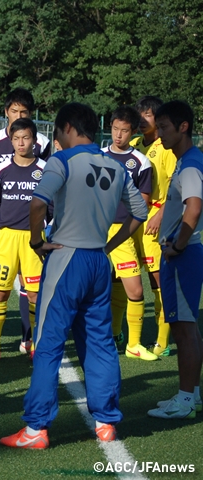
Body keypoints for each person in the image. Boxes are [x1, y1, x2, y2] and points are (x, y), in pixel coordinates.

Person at [0, 103, 147, 449]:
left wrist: (37, 241)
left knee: (48, 344)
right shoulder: (115, 164)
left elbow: (37, 204)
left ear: (66, 128)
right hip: (98, 260)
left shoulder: (61, 161)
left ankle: (36, 428)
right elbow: (139, 212)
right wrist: (110, 245)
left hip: (66, 258)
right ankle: (106, 421)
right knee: (100, 342)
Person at [0, 88, 51, 357]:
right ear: (11, 139)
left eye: (26, 138)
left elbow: (48, 203)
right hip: (5, 236)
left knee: (33, 294)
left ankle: (31, 344)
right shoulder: (0, 169)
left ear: (34, 140)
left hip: (33, 238)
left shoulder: (44, 169)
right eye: (16, 138)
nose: (21, 143)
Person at [147, 100, 203, 419]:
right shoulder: (186, 161)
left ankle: (185, 399)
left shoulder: (192, 163)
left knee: (183, 331)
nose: (160, 134)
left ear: (183, 127)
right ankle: (190, 394)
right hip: (183, 253)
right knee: (188, 329)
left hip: (183, 254)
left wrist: (178, 246)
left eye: (165, 127)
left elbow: (193, 208)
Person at [101, 105, 156, 361]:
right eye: (114, 129)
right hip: (98, 229)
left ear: (133, 131)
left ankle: (133, 343)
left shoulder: (141, 162)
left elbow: (143, 201)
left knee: (135, 290)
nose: (118, 135)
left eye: (124, 131)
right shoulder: (98, 156)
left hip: (125, 231)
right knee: (110, 284)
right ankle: (113, 335)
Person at [130, 96, 177, 357]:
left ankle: (162, 341)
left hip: (153, 218)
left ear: (158, 120)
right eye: (139, 114)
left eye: (147, 115)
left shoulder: (166, 148)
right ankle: (121, 333)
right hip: (130, 221)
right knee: (124, 276)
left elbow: (174, 186)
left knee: (157, 279)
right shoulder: (135, 144)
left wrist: (160, 216)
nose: (141, 119)